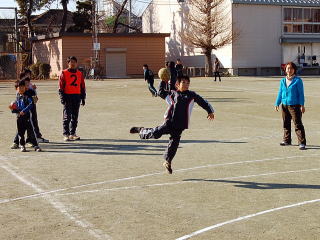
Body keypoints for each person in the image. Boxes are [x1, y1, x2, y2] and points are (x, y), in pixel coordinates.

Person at [130, 75, 215, 174]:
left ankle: (167, 161)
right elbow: (160, 92)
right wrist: (163, 80)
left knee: (174, 145)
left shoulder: (192, 95)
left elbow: (203, 102)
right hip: (169, 122)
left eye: (188, 83)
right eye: (183, 82)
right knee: (156, 134)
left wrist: (210, 111)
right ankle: (141, 130)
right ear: (177, 85)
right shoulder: (173, 94)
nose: (186, 85)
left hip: (181, 125)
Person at [275, 62, 306, 150]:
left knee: (298, 124)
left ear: (294, 70)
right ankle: (287, 140)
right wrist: (277, 103)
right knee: (286, 123)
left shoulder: (298, 80)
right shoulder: (282, 81)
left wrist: (302, 105)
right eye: (287, 68)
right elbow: (280, 92)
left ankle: (302, 143)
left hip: (295, 106)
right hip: (284, 105)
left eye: (291, 68)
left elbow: (301, 94)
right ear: (285, 70)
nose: (289, 70)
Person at [9, 80, 41, 152]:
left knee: (31, 131)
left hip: (27, 117)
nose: (21, 89)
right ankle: (22, 145)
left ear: (25, 87)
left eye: (22, 87)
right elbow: (16, 107)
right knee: (20, 132)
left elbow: (31, 104)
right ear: (17, 89)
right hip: (19, 117)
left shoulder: (27, 95)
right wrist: (12, 108)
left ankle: (36, 145)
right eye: (19, 87)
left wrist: (24, 110)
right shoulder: (17, 96)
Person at [59, 56, 86, 141]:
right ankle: (66, 134)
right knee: (67, 116)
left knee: (75, 117)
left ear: (76, 63)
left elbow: (82, 86)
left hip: (76, 96)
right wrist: (62, 97)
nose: (73, 63)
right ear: (68, 63)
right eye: (71, 62)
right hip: (67, 96)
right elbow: (61, 86)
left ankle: (72, 133)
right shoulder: (64, 73)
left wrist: (83, 97)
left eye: (74, 62)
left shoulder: (79, 73)